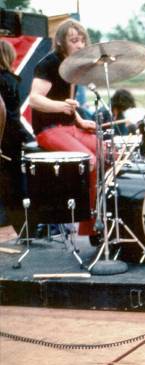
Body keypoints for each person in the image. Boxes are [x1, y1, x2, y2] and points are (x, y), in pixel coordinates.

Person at [28, 19, 98, 237]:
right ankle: (75, 215)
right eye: (73, 40)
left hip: (69, 127)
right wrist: (62, 107)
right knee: (90, 160)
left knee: (107, 152)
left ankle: (92, 226)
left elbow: (68, 102)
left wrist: (79, 120)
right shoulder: (48, 64)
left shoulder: (73, 65)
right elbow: (34, 100)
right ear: (61, 42)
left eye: (82, 40)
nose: (79, 45)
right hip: (49, 129)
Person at [0, 40, 35, 227]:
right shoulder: (10, 81)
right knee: (14, 187)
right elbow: (12, 116)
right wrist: (24, 137)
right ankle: (24, 228)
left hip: (5, 138)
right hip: (8, 140)